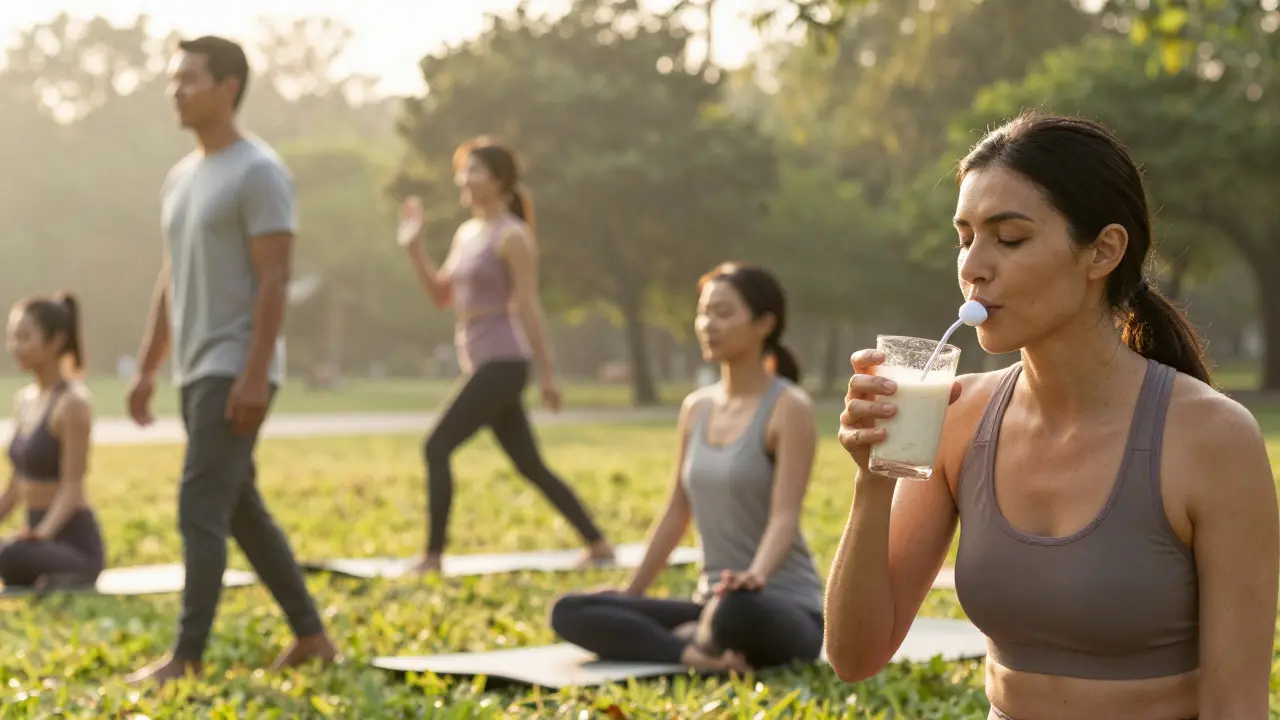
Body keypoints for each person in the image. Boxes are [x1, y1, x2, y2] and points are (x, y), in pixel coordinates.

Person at [825, 111, 1278, 720]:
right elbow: (855, 657)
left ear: (1103, 251)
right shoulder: (958, 416)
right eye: (964, 238)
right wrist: (872, 479)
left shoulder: (1212, 439)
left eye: (1008, 238)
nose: (973, 267)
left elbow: (1237, 707)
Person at [123, 35, 336, 686]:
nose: (176, 90)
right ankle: (311, 635)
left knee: (199, 505)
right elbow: (173, 276)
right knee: (239, 505)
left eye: (190, 78)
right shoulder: (181, 176)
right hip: (194, 365)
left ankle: (186, 657)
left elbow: (274, 280)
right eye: (173, 78)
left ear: (229, 86)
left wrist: (252, 372)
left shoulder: (259, 171)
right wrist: (148, 364)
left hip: (234, 364)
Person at [548, 262, 824, 673]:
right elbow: (677, 511)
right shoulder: (696, 407)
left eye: (724, 313)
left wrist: (755, 576)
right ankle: (694, 652)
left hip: (778, 607)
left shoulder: (789, 408)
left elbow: (785, 516)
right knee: (569, 611)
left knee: (733, 613)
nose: (708, 324)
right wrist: (632, 592)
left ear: (764, 323)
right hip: (709, 602)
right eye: (704, 312)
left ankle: (695, 637)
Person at [395, 136, 614, 573]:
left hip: (505, 360)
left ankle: (432, 557)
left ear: (498, 180)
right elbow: (442, 295)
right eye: (462, 170)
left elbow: (529, 306)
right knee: (529, 464)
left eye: (473, 169)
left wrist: (548, 374)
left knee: (436, 447)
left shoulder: (513, 236)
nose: (464, 178)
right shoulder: (467, 233)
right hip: (480, 359)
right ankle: (598, 543)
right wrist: (414, 247)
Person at [0, 293, 104, 590]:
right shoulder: (24, 401)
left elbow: (73, 487)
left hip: (72, 546)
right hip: (35, 543)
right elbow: (16, 486)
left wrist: (41, 534)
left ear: (56, 340)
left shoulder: (74, 404)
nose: (14, 347)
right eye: (11, 337)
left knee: (10, 555)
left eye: (24, 337)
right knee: (10, 553)